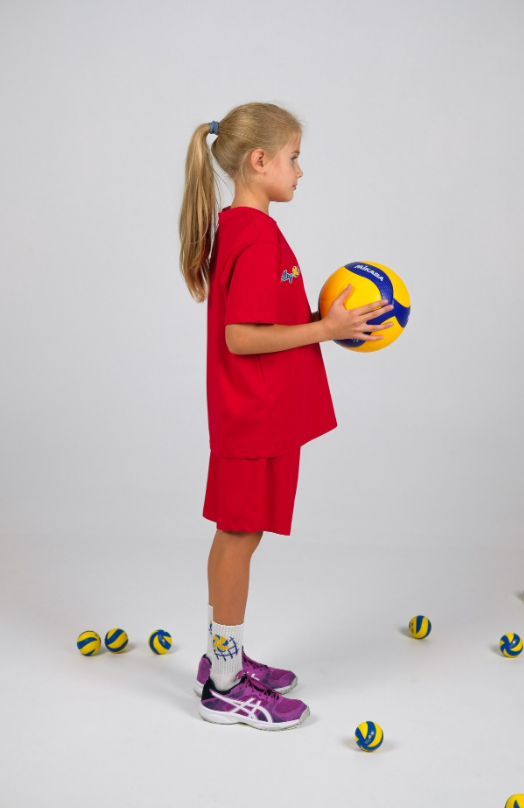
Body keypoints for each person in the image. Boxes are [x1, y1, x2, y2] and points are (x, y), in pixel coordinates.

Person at [177, 102, 395, 731]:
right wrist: (325, 329)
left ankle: (225, 655)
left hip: (257, 414)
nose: (300, 171)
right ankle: (224, 685)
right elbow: (240, 336)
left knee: (240, 533)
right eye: (294, 158)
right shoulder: (254, 233)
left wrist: (323, 324)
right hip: (253, 415)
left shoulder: (242, 228)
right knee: (239, 535)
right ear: (259, 161)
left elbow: (258, 322)